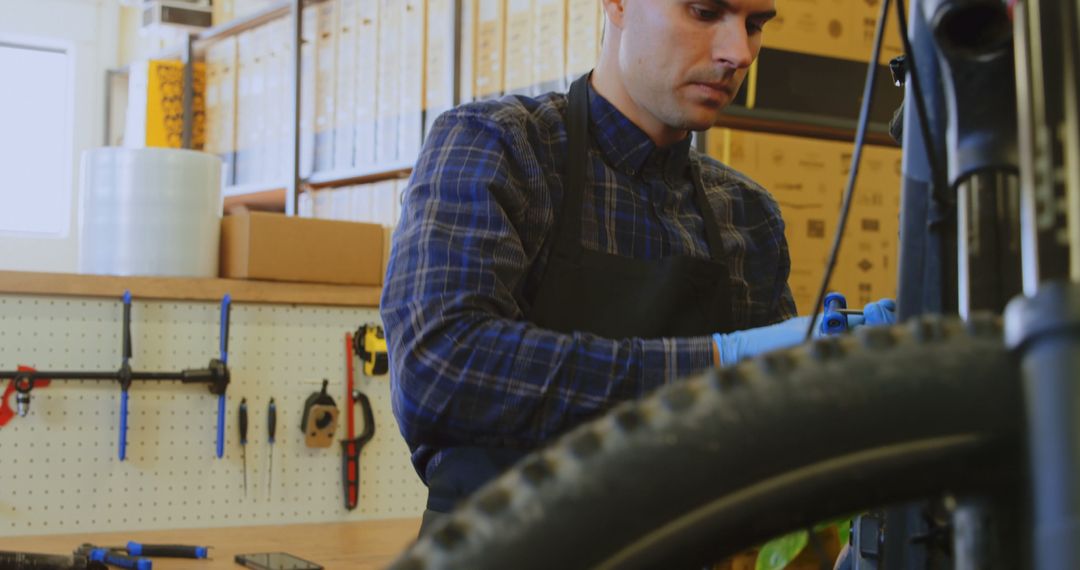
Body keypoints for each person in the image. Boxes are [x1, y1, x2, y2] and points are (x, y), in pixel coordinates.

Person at [380, 0, 896, 534]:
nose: (738, 53)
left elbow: (768, 440)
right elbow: (440, 370)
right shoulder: (502, 147)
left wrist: (848, 384)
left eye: (755, 25)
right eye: (703, 12)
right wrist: (717, 366)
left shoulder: (748, 213)